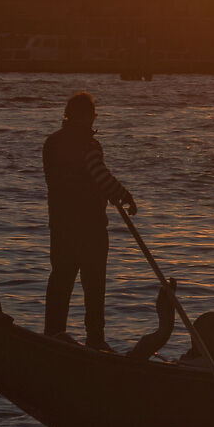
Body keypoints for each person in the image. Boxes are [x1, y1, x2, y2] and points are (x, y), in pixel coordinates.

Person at [41, 91, 137, 352]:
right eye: (92, 116)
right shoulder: (88, 145)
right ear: (82, 116)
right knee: (94, 284)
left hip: (60, 224)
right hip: (90, 226)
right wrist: (124, 195)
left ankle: (53, 332)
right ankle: (95, 339)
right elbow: (99, 174)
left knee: (61, 277)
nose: (93, 121)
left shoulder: (51, 143)